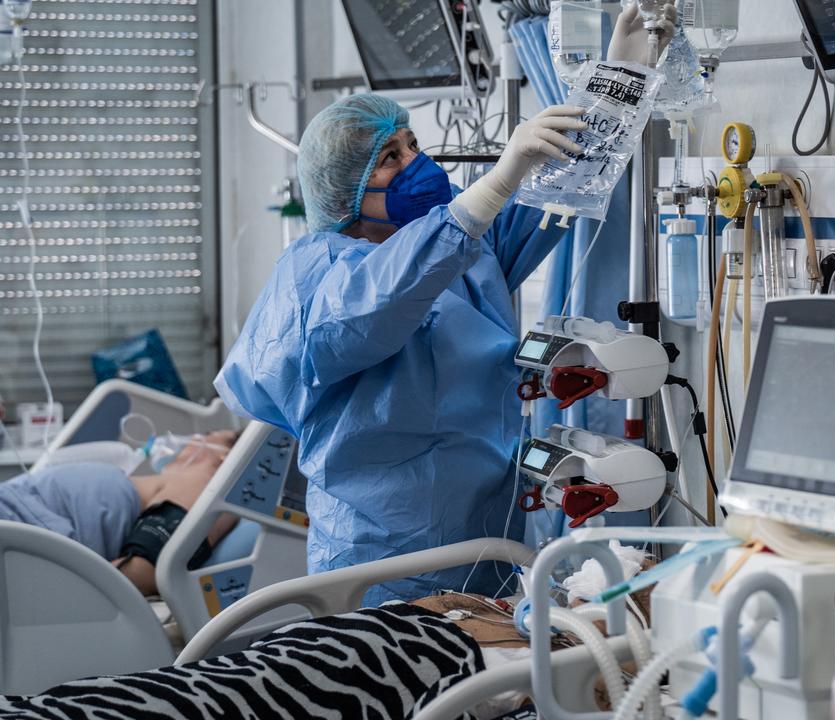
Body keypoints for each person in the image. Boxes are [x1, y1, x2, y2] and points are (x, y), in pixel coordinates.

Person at [214, 3, 677, 604]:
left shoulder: (460, 251)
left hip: (488, 541)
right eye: (390, 158)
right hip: (383, 563)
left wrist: (618, 82)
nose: (417, 163)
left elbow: (557, 188)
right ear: (347, 192)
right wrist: (496, 180)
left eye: (411, 144)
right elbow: (378, 305)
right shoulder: (320, 273)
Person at [0, 431, 240, 596]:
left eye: (210, 433)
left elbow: (143, 573)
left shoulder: (206, 481)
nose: (196, 438)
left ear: (226, 454)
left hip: (22, 537)